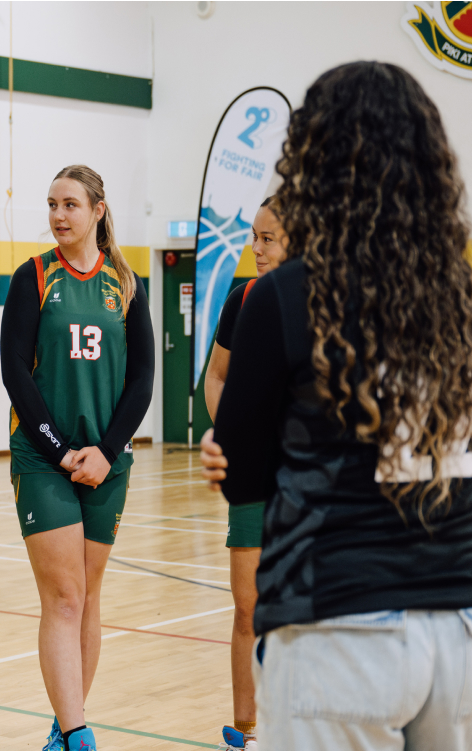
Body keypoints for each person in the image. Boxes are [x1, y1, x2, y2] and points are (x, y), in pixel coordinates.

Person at [200, 61, 472, 751]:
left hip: (336, 624)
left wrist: (228, 452)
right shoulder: (464, 295)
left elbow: (244, 480)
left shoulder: (285, 297)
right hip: (460, 621)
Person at [0, 165, 154, 751]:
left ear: (97, 209)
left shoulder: (125, 281)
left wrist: (107, 451)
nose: (59, 215)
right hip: (45, 459)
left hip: (107, 461)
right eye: (51, 204)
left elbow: (142, 377)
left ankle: (67, 724)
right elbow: (16, 372)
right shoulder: (33, 277)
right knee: (64, 597)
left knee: (87, 597)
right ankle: (77, 731)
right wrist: (62, 452)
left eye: (70, 204)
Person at [202, 196, 287, 751]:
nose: (255, 249)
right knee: (248, 605)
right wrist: (231, 437)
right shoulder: (244, 299)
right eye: (252, 237)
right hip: (255, 481)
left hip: (311, 483)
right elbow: (216, 375)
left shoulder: (329, 303)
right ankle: (247, 730)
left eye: (268, 238)